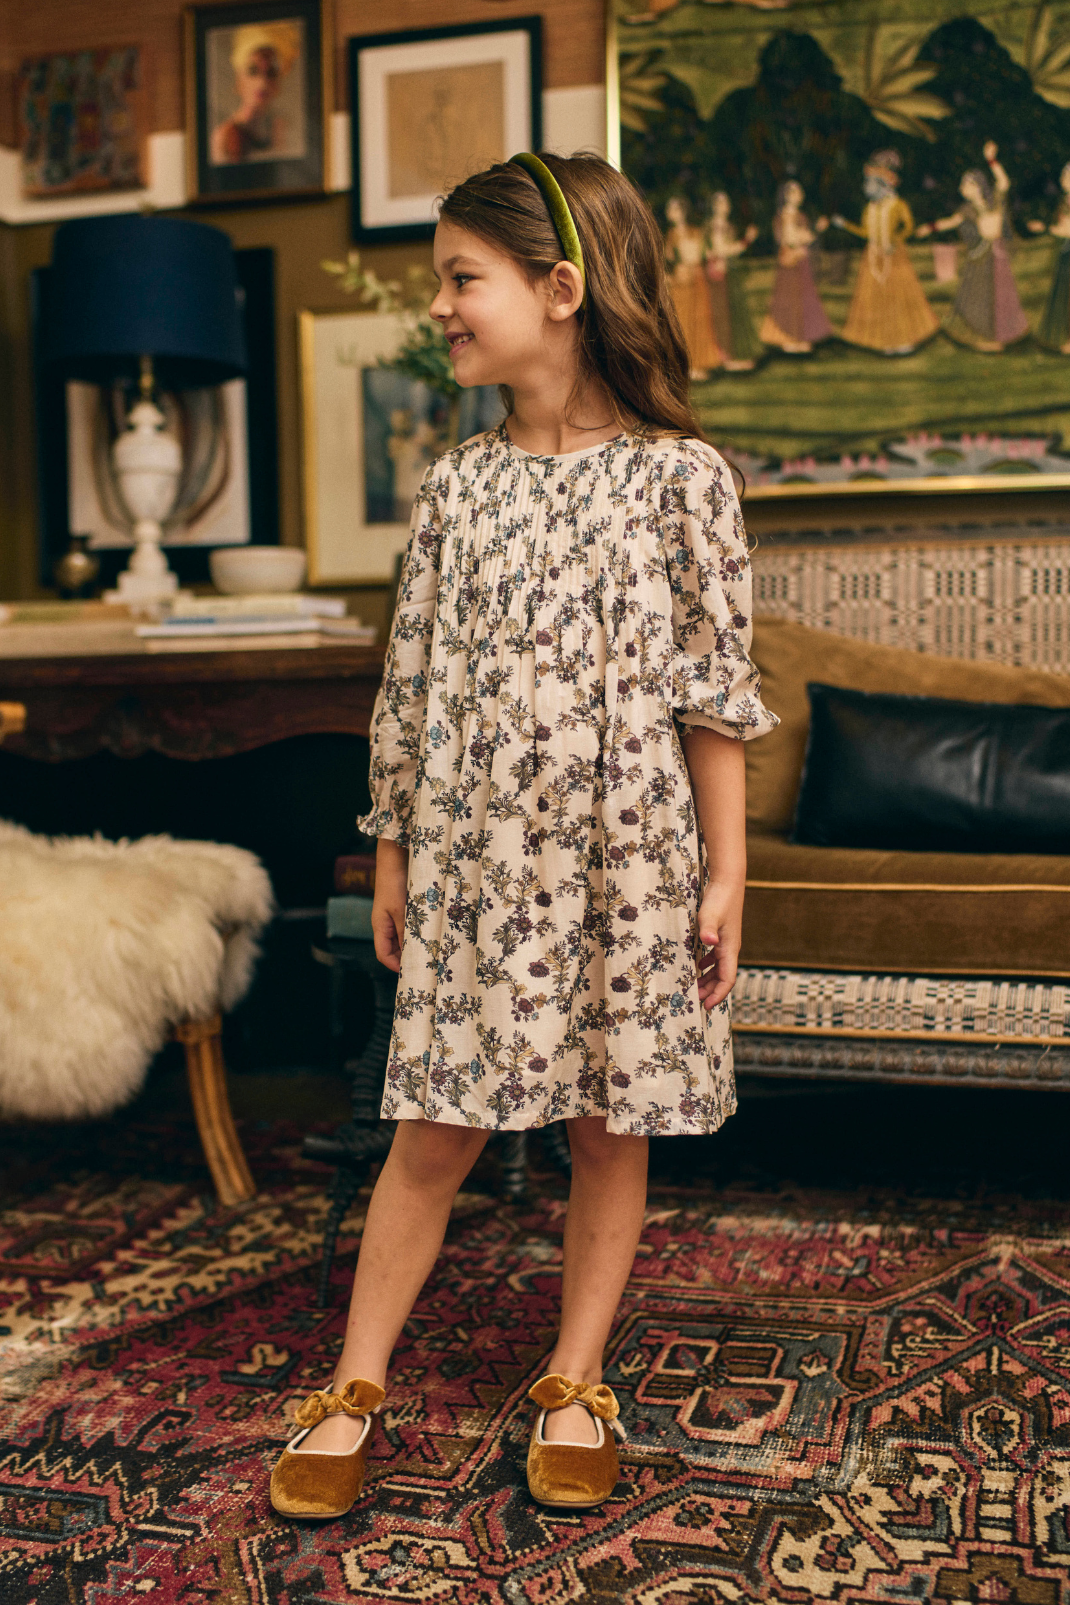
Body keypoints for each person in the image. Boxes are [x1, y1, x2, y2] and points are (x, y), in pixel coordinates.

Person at [267, 151, 778, 1521]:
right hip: (478, 871)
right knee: (432, 1127)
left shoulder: (682, 480)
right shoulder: (455, 489)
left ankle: (574, 1376)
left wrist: (725, 874)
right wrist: (392, 849)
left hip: (629, 866)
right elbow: (409, 684)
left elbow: (713, 698)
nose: (437, 306)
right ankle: (355, 1381)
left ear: (558, 289)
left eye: (459, 278)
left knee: (610, 1124)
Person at [918, 143, 1029, 351]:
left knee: (1000, 296)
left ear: (978, 186)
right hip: (980, 257)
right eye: (962, 185)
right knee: (979, 297)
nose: (963, 188)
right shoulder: (966, 209)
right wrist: (930, 228)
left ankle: (1002, 337)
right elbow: (951, 222)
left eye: (967, 184)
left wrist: (991, 160)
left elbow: (1004, 182)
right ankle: (985, 336)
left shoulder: (994, 201)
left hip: (997, 255)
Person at [830, 150, 938, 355]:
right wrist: (845, 225)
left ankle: (904, 339)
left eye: (869, 183)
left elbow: (908, 227)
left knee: (899, 298)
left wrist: (895, 241)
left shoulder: (897, 205)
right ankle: (883, 342)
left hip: (894, 257)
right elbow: (865, 233)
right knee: (875, 301)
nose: (865, 187)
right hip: (872, 258)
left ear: (882, 184)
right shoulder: (869, 209)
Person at [209, 22, 301, 165]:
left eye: (270, 73)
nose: (262, 82)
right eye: (253, 71)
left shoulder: (281, 130)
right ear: (239, 80)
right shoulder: (223, 136)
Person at [759, 179, 834, 353]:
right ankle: (788, 337)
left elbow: (805, 237)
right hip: (790, 262)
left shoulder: (801, 216)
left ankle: (801, 336)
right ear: (786, 195)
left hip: (801, 261)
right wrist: (815, 231)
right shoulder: (783, 216)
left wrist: (811, 233)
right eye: (794, 192)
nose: (799, 195)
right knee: (789, 299)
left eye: (800, 192)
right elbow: (790, 239)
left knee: (804, 299)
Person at [664, 194, 724, 378]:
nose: (671, 213)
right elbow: (668, 260)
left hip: (697, 280)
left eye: (675, 209)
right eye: (669, 209)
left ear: (683, 211)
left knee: (699, 321)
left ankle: (700, 364)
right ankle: (685, 366)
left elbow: (703, 254)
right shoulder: (670, 236)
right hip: (681, 284)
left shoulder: (696, 232)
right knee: (682, 321)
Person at [704, 192, 763, 371]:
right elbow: (721, 250)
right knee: (723, 314)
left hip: (729, 274)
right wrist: (747, 240)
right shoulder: (714, 226)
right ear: (714, 206)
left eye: (726, 202)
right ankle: (725, 357)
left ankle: (735, 355)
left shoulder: (728, 226)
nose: (725, 206)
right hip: (718, 276)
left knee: (734, 313)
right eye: (720, 203)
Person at [1030, 162, 1070, 353]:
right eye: (1063, 175)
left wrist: (1045, 228)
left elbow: (1067, 230)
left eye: (1067, 176)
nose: (1063, 180)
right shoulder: (1064, 201)